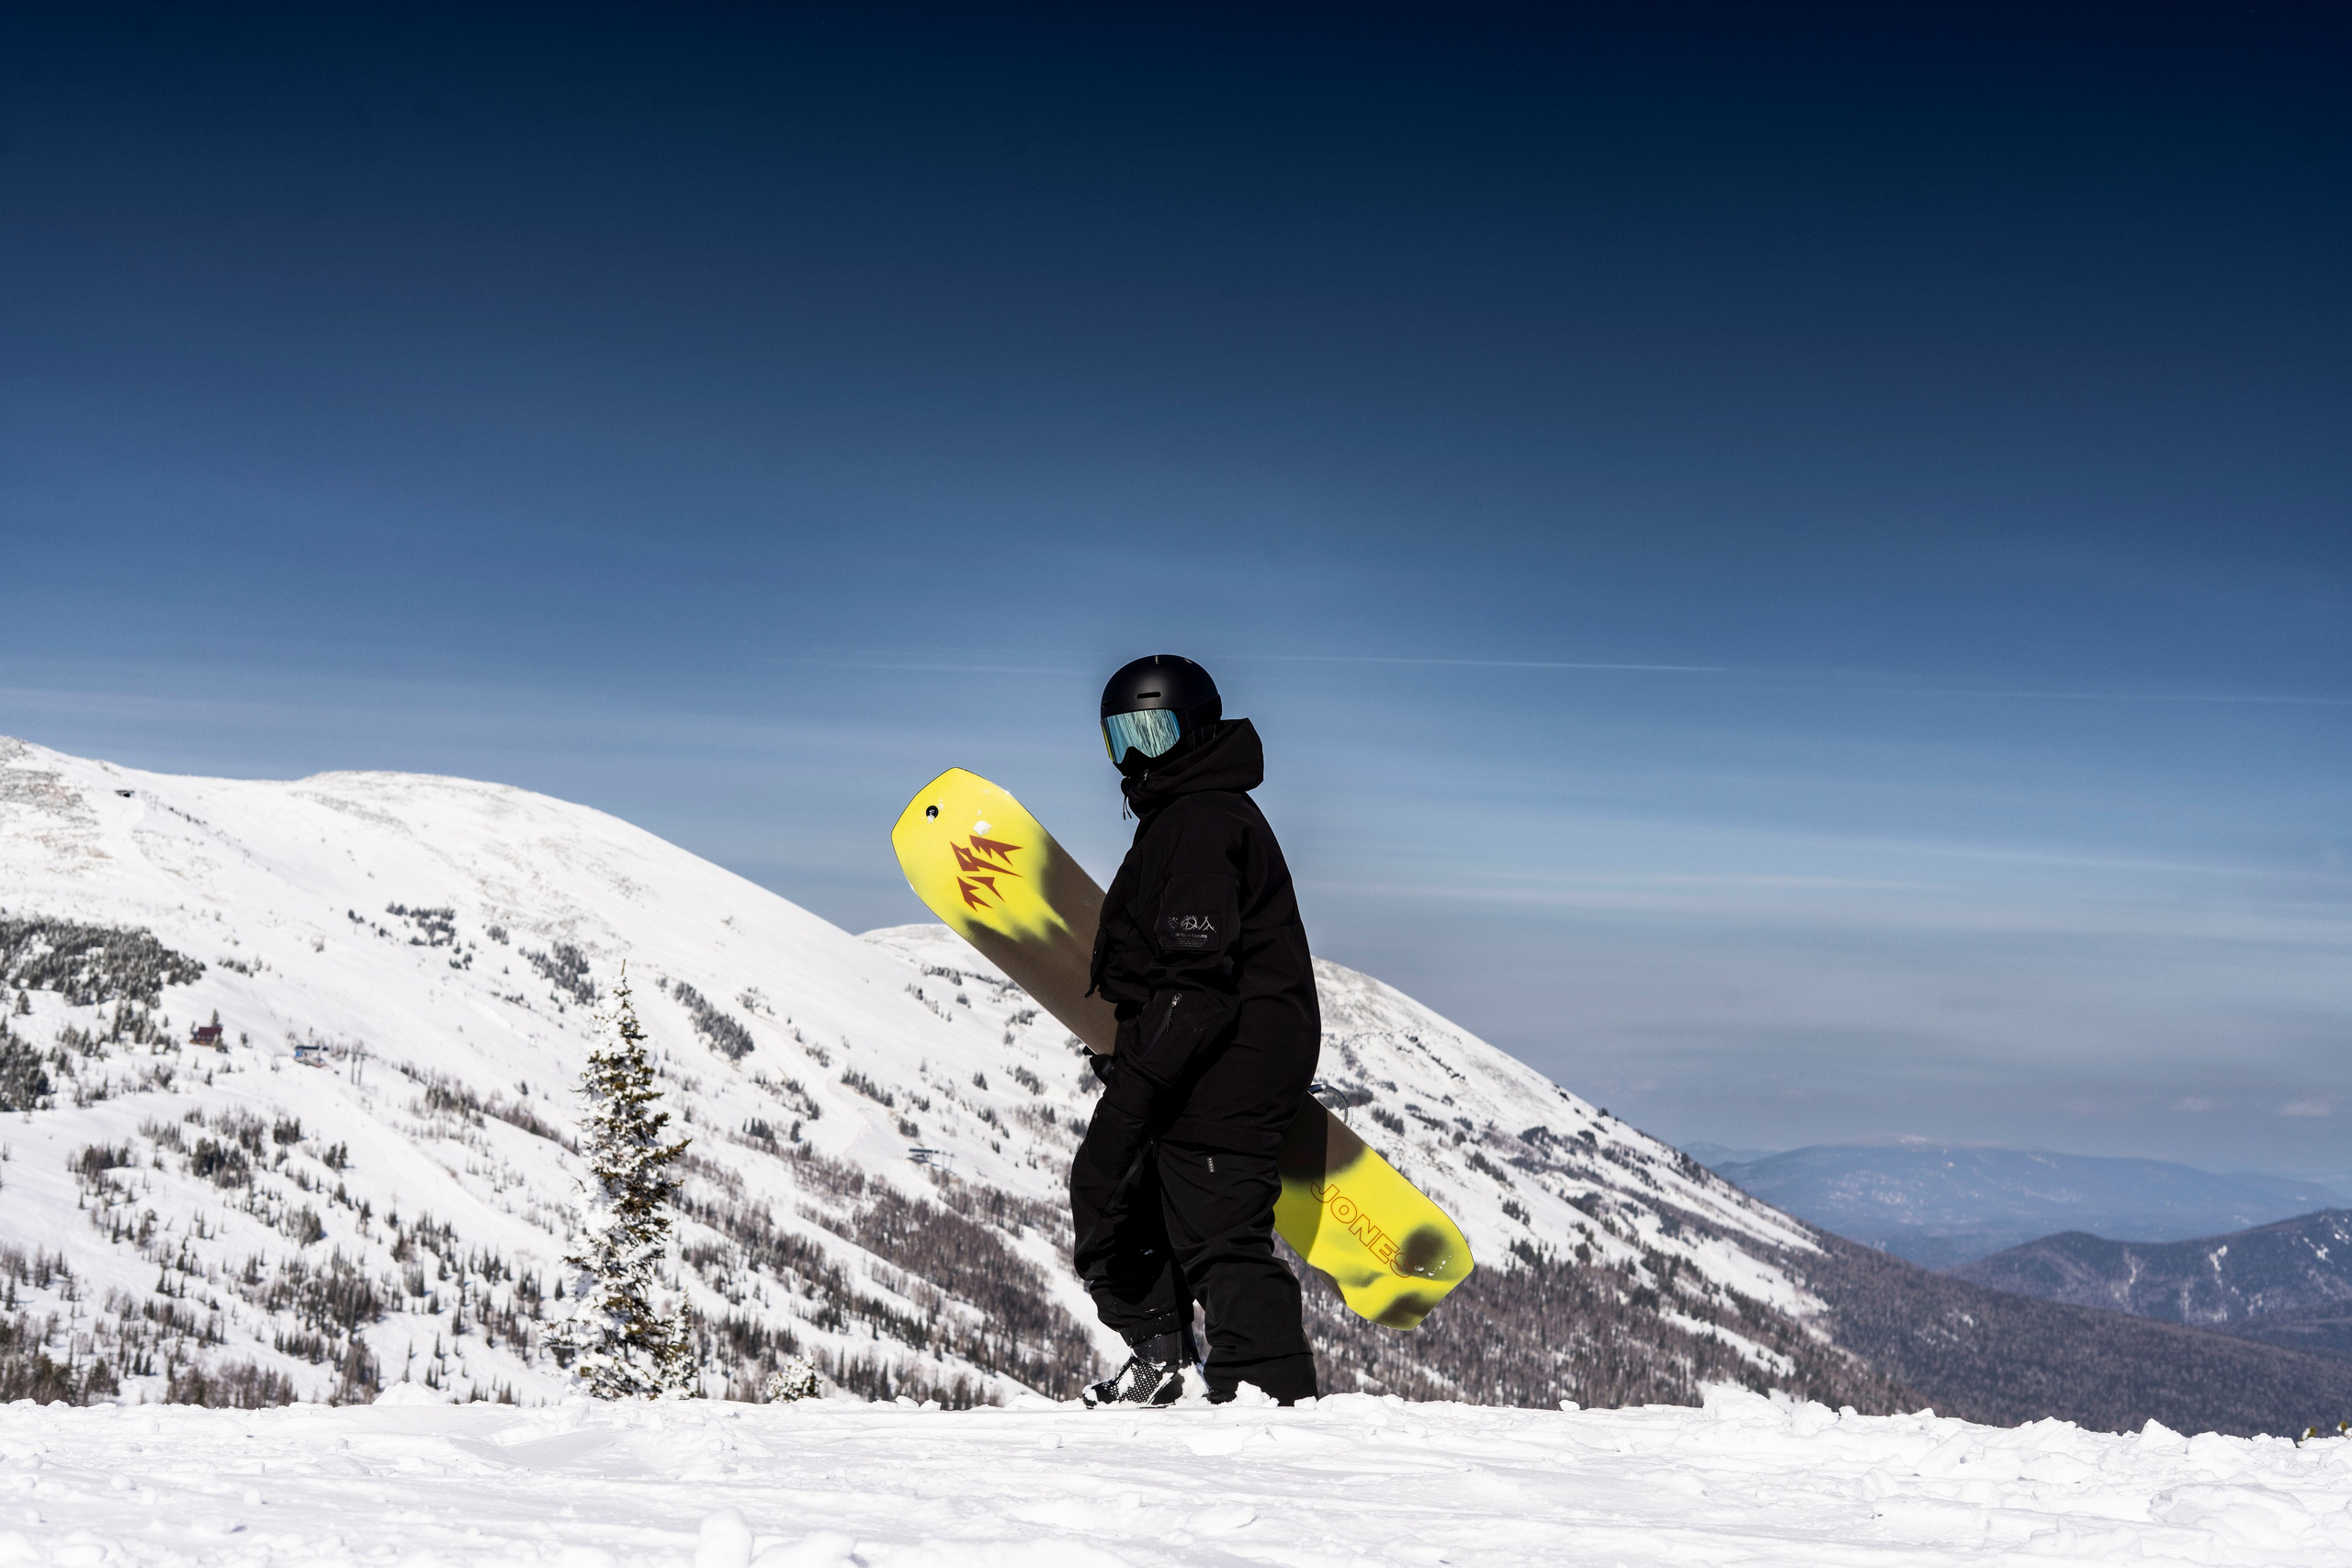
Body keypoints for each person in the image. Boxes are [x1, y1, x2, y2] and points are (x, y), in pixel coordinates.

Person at [1072, 654, 1323, 1407]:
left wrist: (1141, 1079)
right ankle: (1161, 1358)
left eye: (1154, 730)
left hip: (1225, 1063)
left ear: (1196, 729)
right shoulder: (1187, 816)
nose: (1140, 754)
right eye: (1123, 736)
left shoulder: (1202, 821)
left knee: (1217, 1236)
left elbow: (1197, 980)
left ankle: (1267, 1400)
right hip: (1201, 1055)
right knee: (1135, 1204)